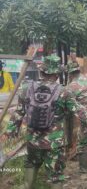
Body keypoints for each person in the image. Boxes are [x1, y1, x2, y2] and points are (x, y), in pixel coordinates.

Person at [0, 55, 77, 189]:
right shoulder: (64, 92)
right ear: (57, 74)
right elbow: (78, 113)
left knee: (31, 164)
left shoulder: (27, 89)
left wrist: (9, 132)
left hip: (32, 140)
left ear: (41, 72)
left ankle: (26, 186)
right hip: (54, 143)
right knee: (55, 177)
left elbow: (18, 113)